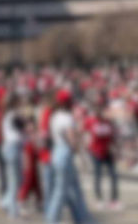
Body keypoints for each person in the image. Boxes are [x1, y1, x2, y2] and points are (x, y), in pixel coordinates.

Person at [46, 89, 96, 224]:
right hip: (64, 154)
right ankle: (52, 220)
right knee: (61, 191)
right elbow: (72, 141)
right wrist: (79, 136)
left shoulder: (55, 115)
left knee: (76, 189)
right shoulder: (66, 118)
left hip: (57, 152)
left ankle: (83, 218)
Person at [87, 102, 120, 211]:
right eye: (98, 111)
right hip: (96, 152)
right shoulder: (91, 121)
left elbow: (113, 137)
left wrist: (116, 149)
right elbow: (84, 133)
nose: (100, 113)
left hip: (107, 152)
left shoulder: (108, 123)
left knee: (114, 176)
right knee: (98, 176)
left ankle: (114, 200)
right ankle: (99, 199)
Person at [0, 94, 27, 219]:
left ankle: (6, 202)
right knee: (15, 180)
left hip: (10, 148)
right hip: (13, 148)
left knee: (16, 180)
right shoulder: (13, 115)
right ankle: (12, 211)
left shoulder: (10, 114)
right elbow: (25, 126)